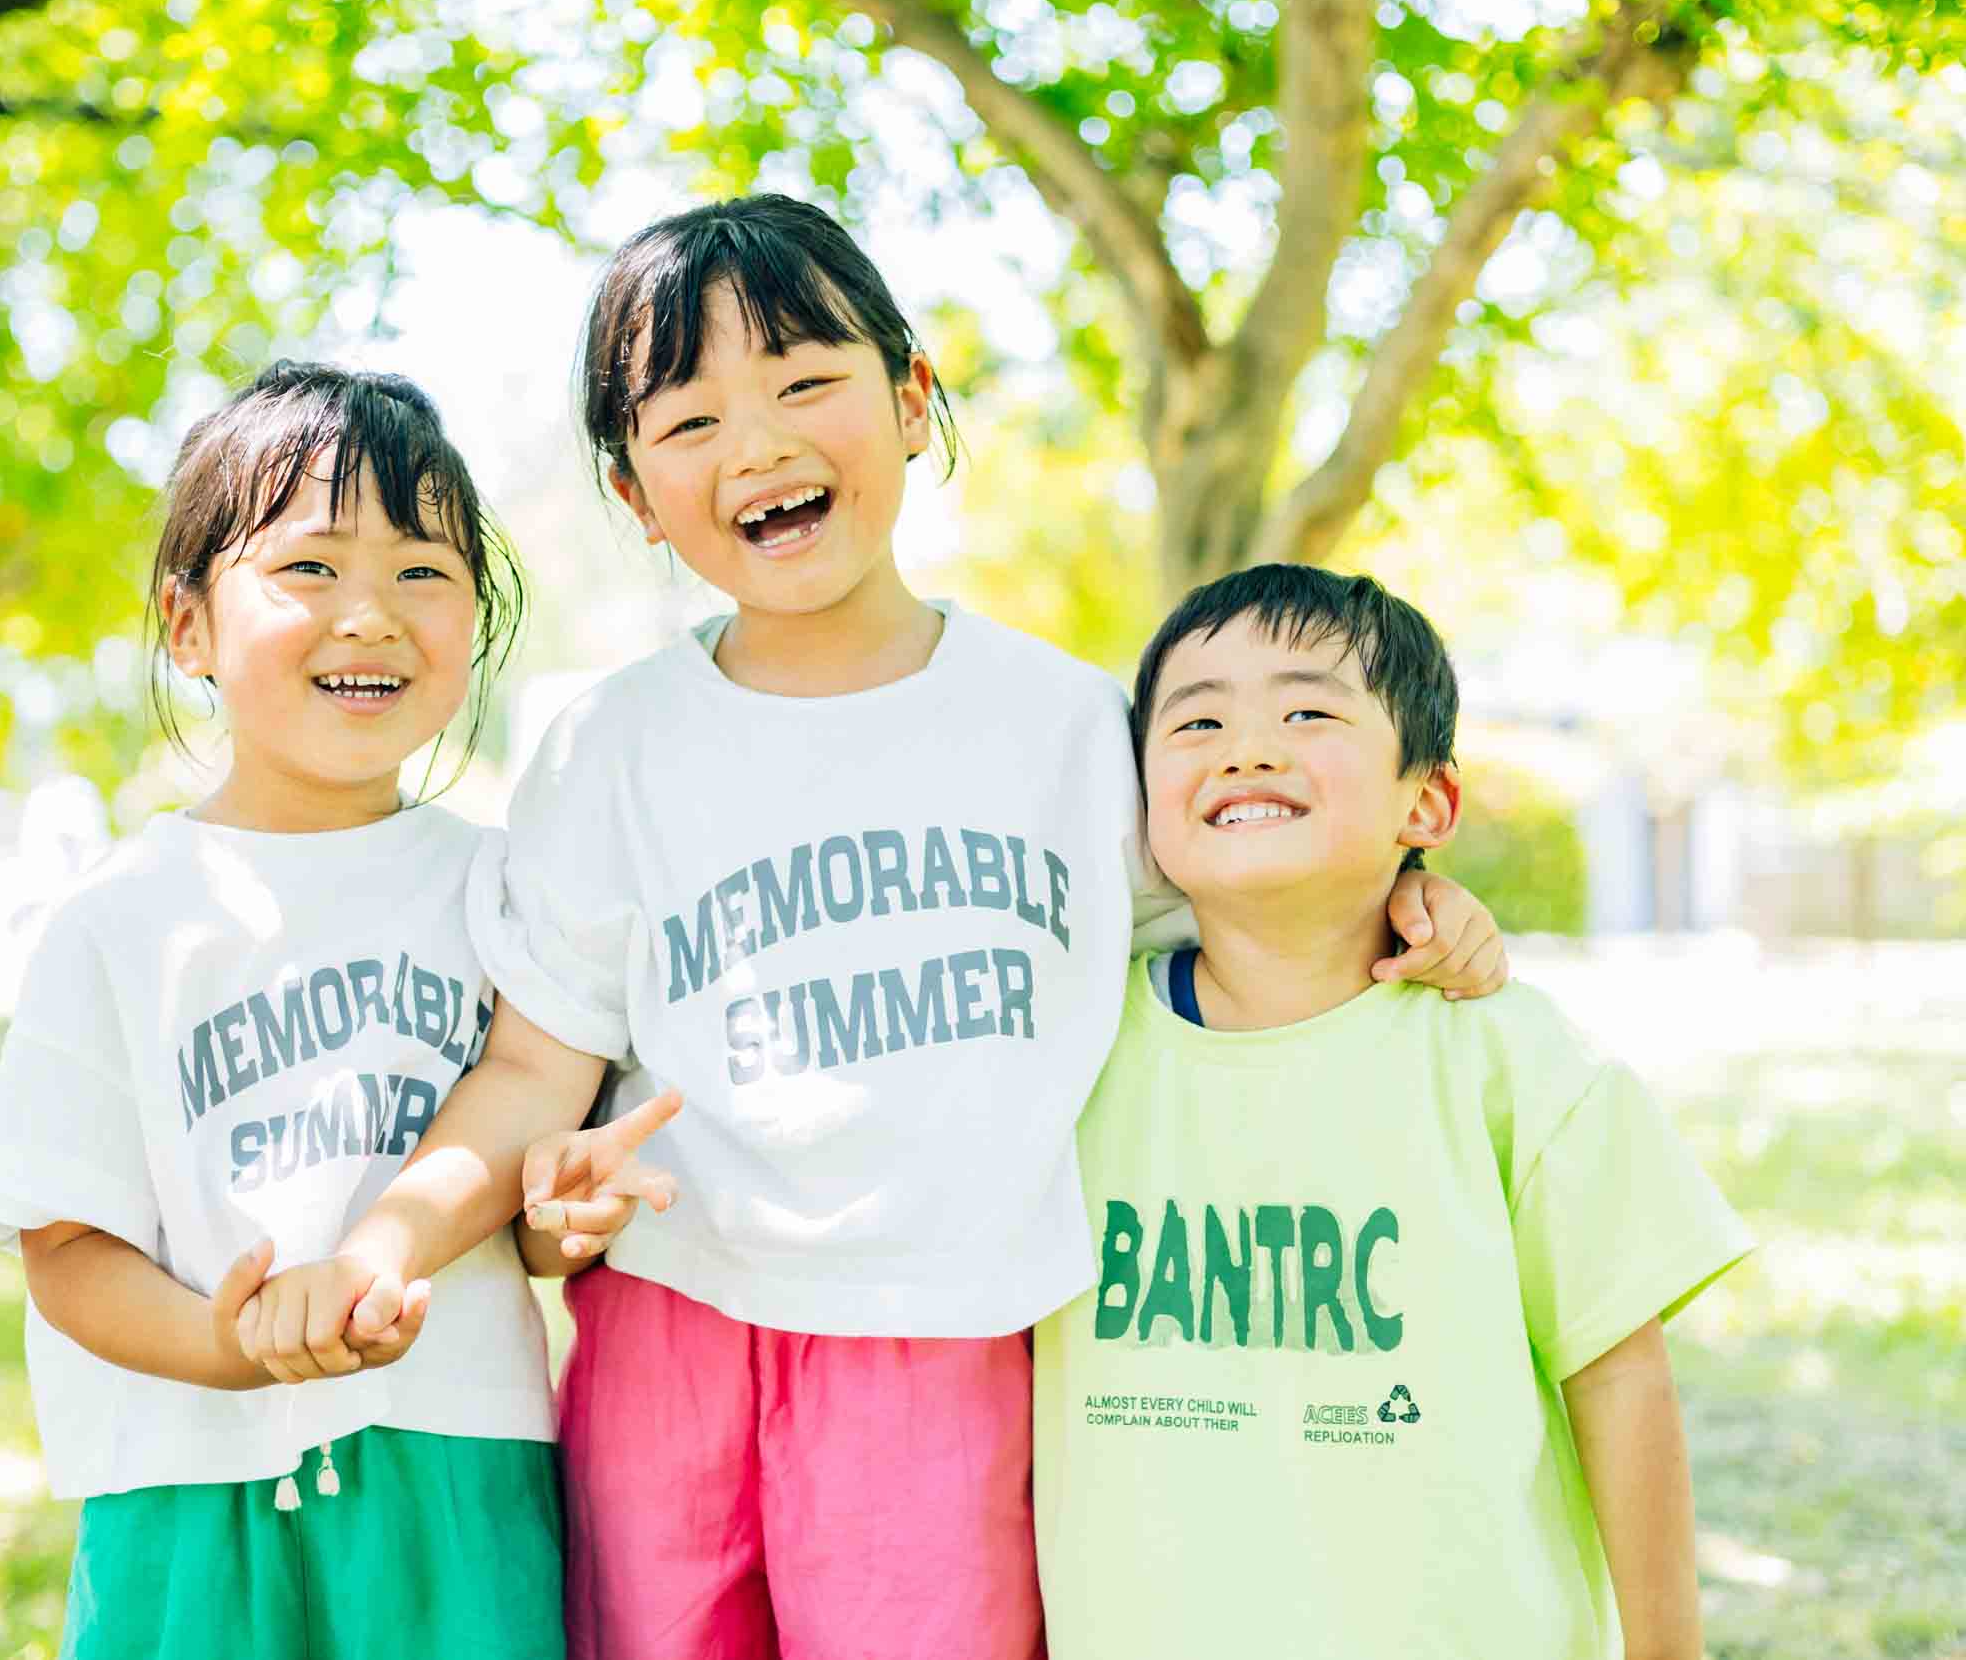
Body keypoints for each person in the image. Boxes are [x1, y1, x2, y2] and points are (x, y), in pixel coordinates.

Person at [470, 195, 1512, 1660]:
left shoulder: (1070, 724)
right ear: (635, 492)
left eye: (803, 381)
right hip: (670, 1314)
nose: (757, 444)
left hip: (946, 1327)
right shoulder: (608, 746)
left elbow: (1227, 927)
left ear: (911, 402)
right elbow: (537, 1061)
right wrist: (534, 1205)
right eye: (688, 420)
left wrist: (1407, 898)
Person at [0, 362, 661, 1660]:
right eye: (312, 569)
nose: (372, 615)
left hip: (458, 1471)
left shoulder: (501, 885)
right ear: (187, 623)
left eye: (424, 572)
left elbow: (543, 1172)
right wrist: (222, 1345)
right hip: (188, 1477)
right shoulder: (119, 920)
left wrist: (565, 1222)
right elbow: (63, 1239)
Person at [1033, 562, 1752, 1659]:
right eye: (1197, 719)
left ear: (1428, 802)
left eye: (1307, 709)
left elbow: (1621, 1376)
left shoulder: (1513, 1059)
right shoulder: (1064, 1045)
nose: (1247, 746)